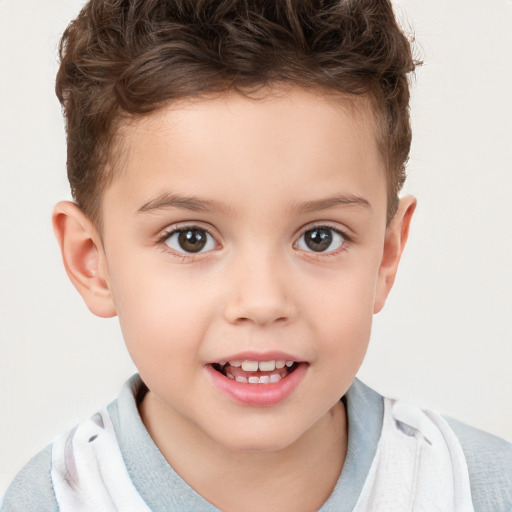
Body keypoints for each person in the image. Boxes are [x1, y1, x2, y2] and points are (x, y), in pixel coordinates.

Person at [2, 0, 511, 510]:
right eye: (191, 238)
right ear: (93, 259)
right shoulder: (51, 500)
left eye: (320, 237)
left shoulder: (479, 489)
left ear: (386, 254)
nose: (263, 302)